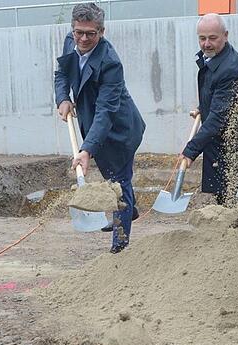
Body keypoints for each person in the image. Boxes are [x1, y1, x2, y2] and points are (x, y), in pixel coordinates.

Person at [54, 3, 145, 253]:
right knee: (112, 178)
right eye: (79, 32)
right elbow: (61, 73)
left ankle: (120, 245)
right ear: (73, 29)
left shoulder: (110, 63)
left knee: (118, 182)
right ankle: (129, 211)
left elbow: (106, 111)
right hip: (92, 123)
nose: (83, 38)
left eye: (90, 34)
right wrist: (62, 98)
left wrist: (86, 150)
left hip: (119, 130)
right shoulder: (68, 41)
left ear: (101, 32)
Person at [181, 13, 238, 228]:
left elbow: (218, 118)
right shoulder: (212, 58)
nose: (206, 44)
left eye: (212, 38)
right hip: (222, 142)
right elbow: (220, 98)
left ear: (225, 36)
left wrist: (190, 151)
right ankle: (226, 250)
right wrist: (204, 106)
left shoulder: (230, 68)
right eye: (202, 38)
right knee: (222, 201)